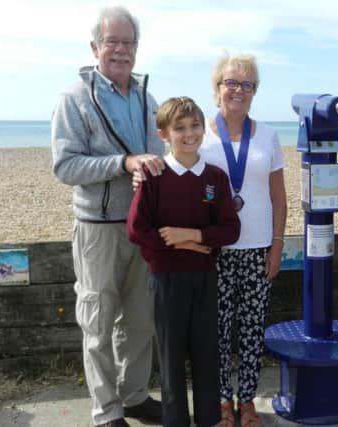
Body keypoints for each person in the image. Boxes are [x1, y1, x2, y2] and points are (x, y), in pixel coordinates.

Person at [133, 53, 287, 427]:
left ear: (255, 92)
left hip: (256, 247)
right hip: (210, 254)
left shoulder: (268, 135)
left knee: (251, 329)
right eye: (231, 83)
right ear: (217, 89)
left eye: (247, 84)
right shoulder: (201, 132)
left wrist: (277, 244)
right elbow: (172, 166)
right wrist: (142, 170)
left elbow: (278, 195)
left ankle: (247, 401)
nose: (238, 90)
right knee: (213, 334)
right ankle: (219, 402)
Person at [51, 6, 164, 427]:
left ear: (137, 48)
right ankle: (106, 410)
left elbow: (159, 156)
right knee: (97, 321)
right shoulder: (73, 99)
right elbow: (65, 167)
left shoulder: (145, 97)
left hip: (143, 229)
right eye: (112, 42)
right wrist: (125, 163)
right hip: (97, 231)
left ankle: (134, 396)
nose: (120, 50)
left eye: (128, 42)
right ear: (94, 47)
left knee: (140, 321)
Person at [127, 97, 241, 427]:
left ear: (203, 130)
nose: (189, 134)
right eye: (179, 128)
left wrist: (189, 236)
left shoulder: (215, 178)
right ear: (163, 134)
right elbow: (137, 230)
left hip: (205, 278)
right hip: (166, 281)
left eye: (194, 126)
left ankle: (209, 420)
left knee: (207, 355)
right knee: (171, 359)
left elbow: (230, 229)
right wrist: (175, 243)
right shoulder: (153, 175)